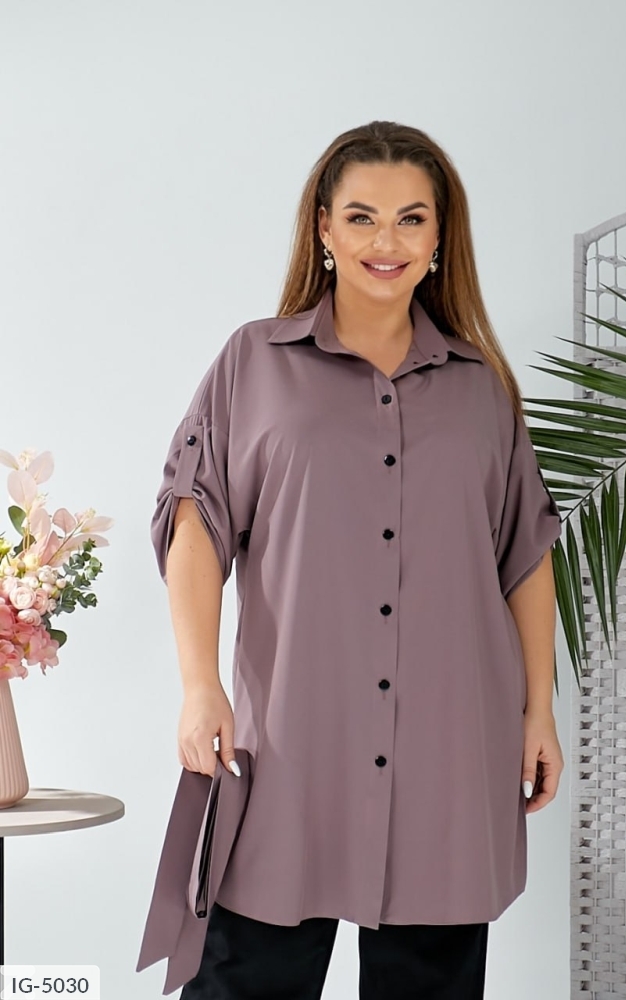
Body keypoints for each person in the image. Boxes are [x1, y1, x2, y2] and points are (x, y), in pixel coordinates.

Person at [136, 120, 564, 999]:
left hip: (451, 750)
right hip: (292, 747)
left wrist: (539, 711)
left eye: (412, 219)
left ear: (440, 238)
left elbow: (524, 554)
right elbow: (195, 524)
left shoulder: (482, 389)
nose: (386, 241)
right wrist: (199, 684)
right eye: (363, 216)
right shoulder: (254, 363)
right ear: (324, 228)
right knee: (246, 981)